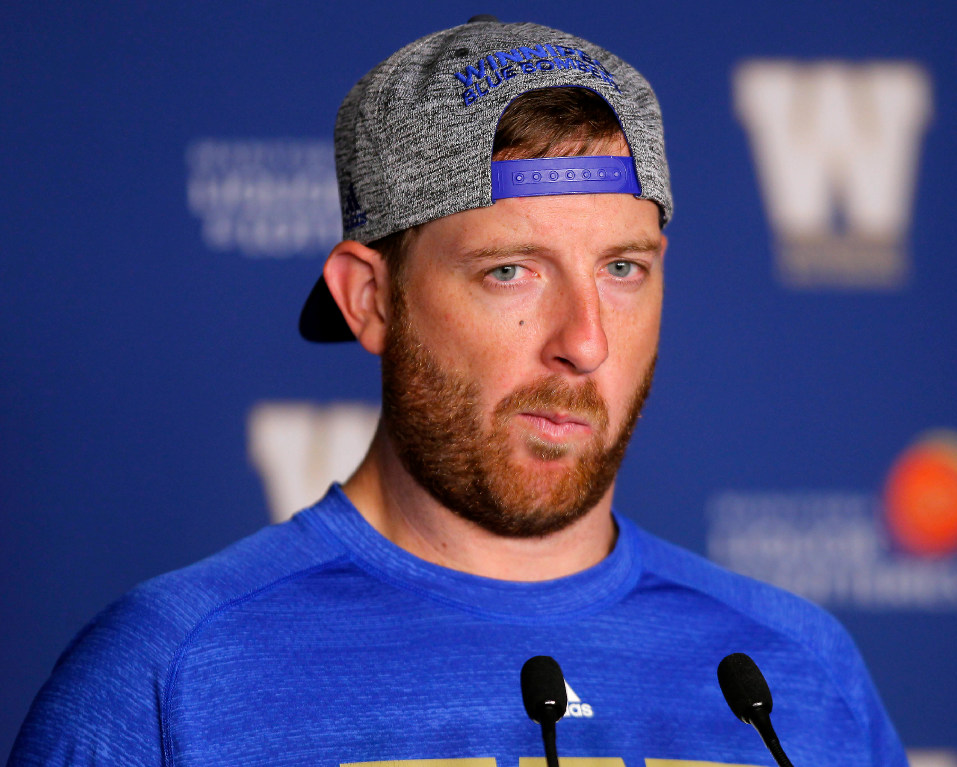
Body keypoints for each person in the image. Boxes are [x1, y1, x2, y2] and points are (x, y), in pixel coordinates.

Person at [9, 17, 908, 767]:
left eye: (623, 267)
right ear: (371, 298)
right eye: (511, 270)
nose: (585, 342)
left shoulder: (802, 674)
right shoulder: (168, 677)